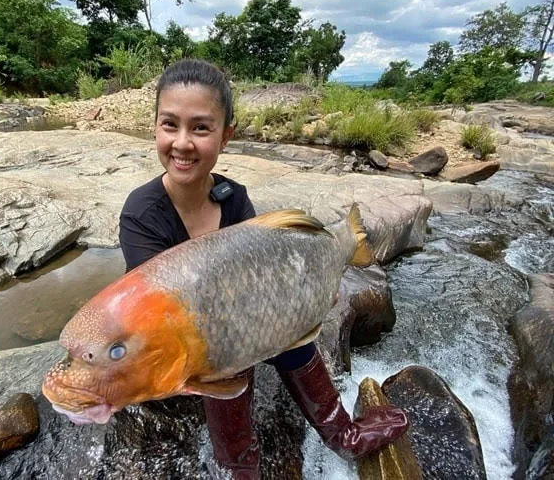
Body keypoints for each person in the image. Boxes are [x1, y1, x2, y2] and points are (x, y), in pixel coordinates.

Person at [119, 59, 409, 479]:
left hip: (236, 317)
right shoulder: (141, 214)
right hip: (183, 342)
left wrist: (307, 301)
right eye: (170, 124)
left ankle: (340, 433)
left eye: (201, 128)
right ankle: (240, 466)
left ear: (226, 136)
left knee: (292, 333)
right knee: (229, 349)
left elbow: (263, 272)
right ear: (156, 128)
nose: (182, 143)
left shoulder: (234, 198)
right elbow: (157, 314)